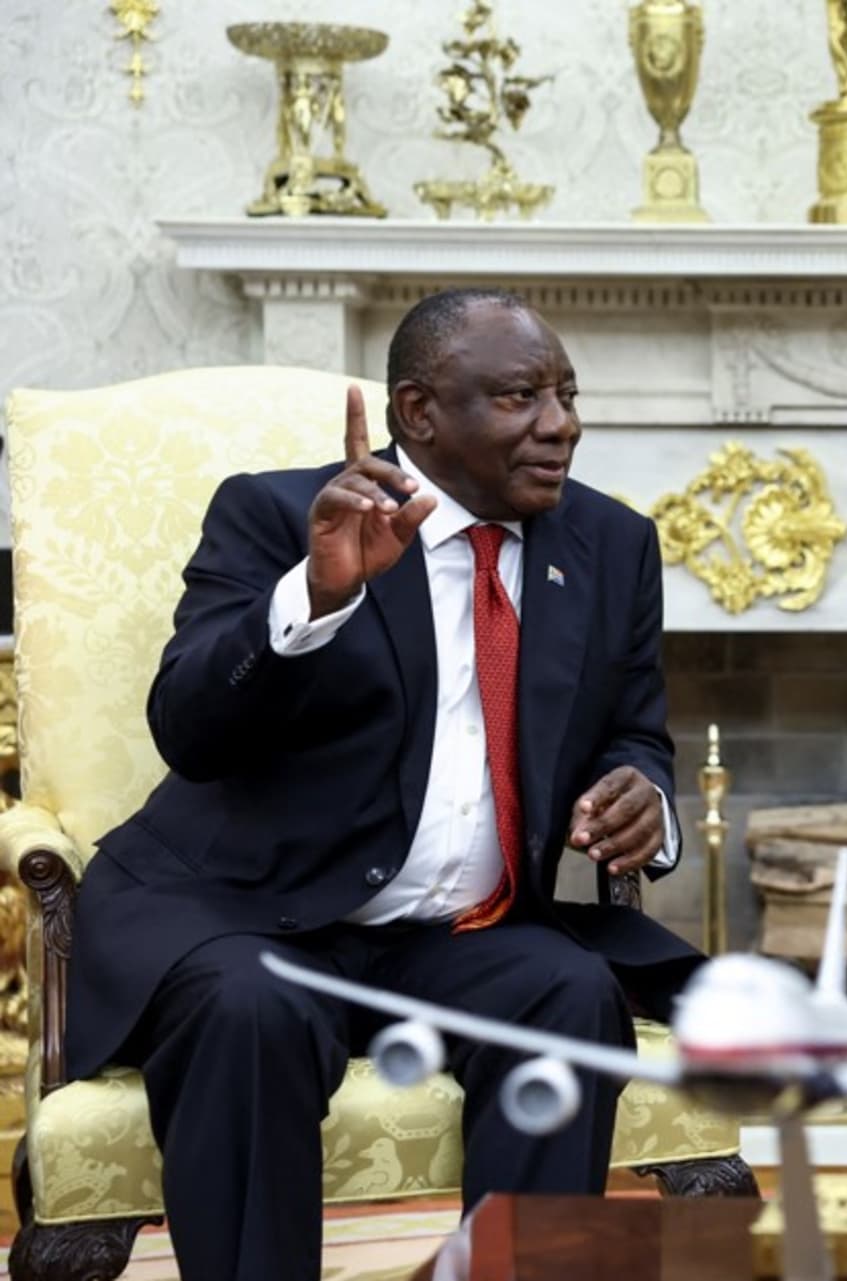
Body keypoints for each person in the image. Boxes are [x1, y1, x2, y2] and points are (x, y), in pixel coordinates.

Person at [66, 288, 701, 1280]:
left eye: (568, 395)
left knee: (572, 994)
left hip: (458, 937)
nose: (561, 425)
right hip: (253, 914)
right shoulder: (280, 515)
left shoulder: (612, 546)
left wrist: (642, 794)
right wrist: (315, 598)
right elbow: (187, 730)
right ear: (419, 413)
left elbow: (634, 729)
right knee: (249, 1009)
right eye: (521, 397)